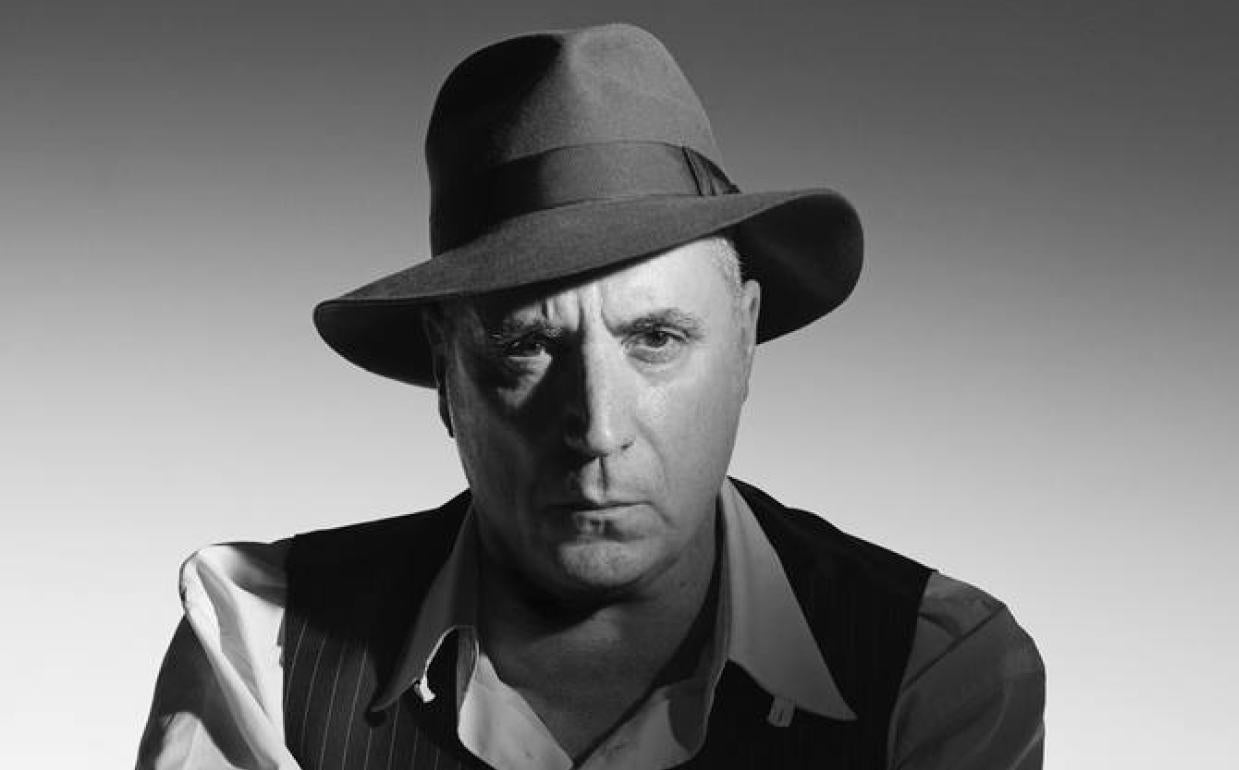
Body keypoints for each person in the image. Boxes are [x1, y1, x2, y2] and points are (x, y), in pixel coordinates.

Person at [137, 23, 1044, 770]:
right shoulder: (266, 640)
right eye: (528, 347)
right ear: (446, 372)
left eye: (656, 339)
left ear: (744, 340)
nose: (599, 429)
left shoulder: (932, 667)